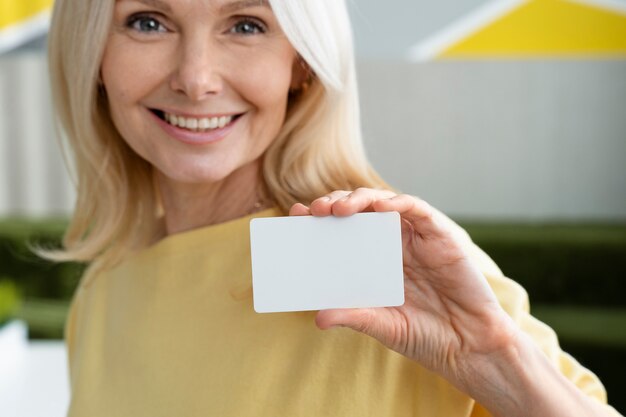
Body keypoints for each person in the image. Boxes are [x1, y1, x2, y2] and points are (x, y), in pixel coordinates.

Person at [43, 0, 620, 416]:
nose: (196, 79)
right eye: (148, 22)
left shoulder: (391, 263)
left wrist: (496, 361)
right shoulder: (103, 290)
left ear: (302, 63)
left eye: (246, 24)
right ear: (93, 55)